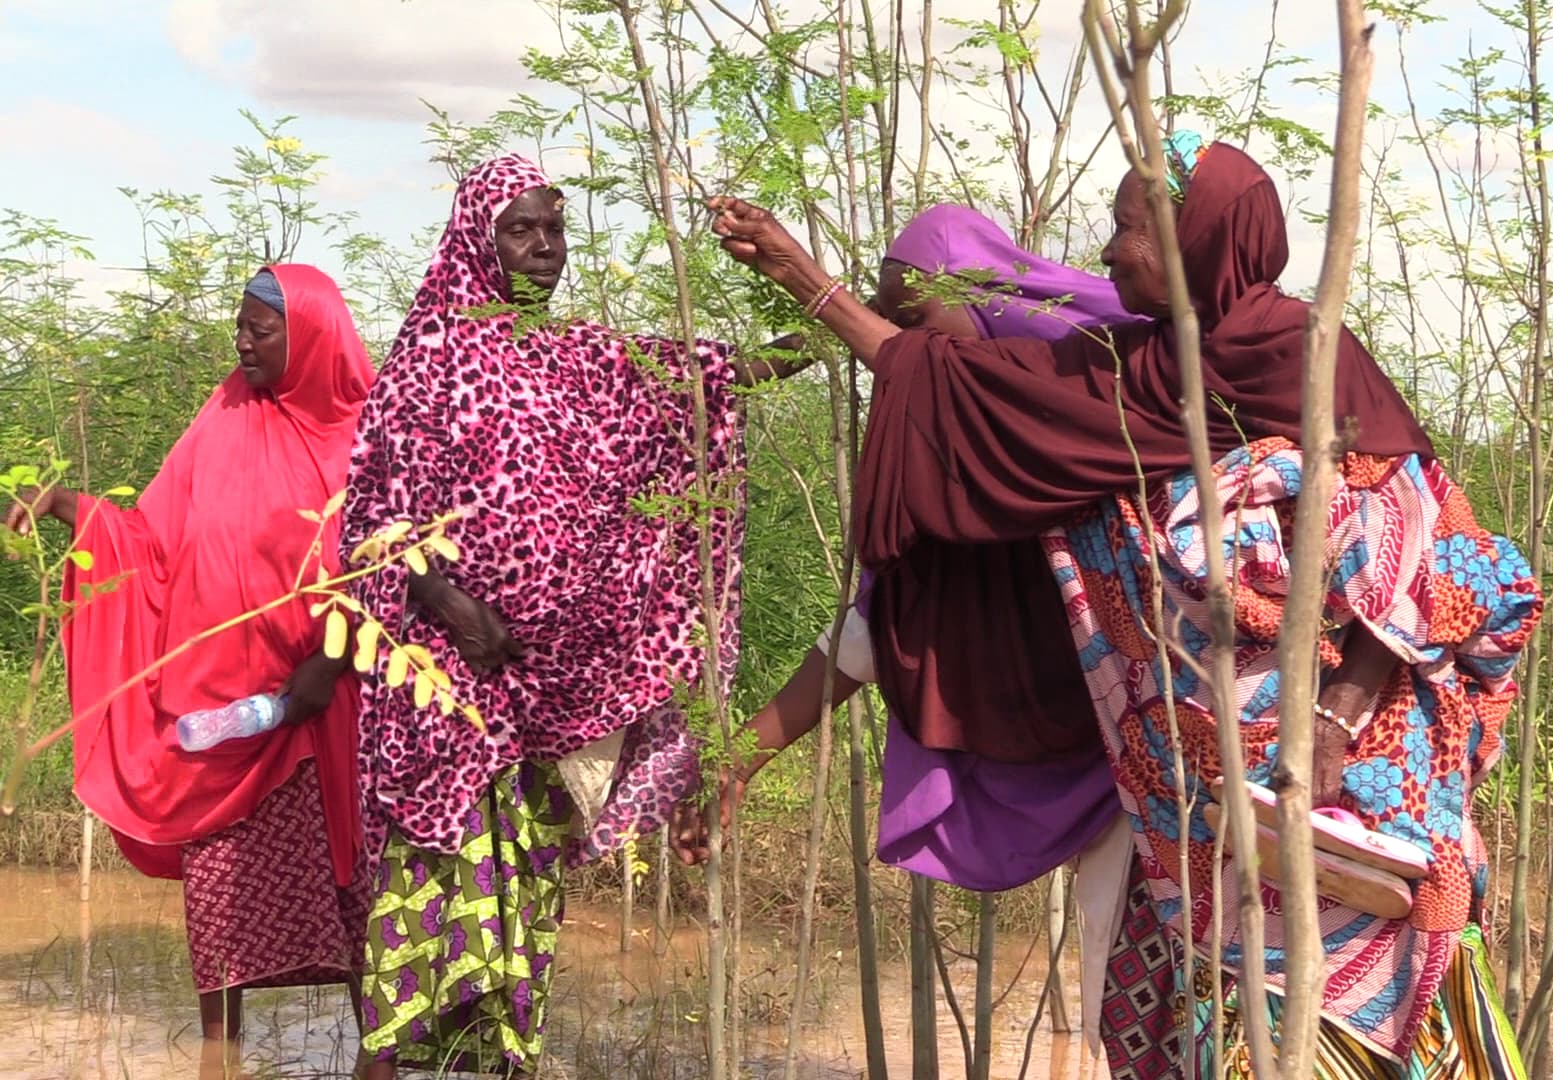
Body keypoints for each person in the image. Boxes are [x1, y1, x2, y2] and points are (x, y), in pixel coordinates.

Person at [708, 134, 1540, 1077]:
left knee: (1338, 1042)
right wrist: (807, 291)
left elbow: (1444, 557)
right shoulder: (1117, 386)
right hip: (1176, 825)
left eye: (1129, 227)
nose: (1107, 251)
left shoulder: (1306, 363)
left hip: (1329, 807)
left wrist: (1336, 722)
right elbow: (947, 413)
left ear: (1199, 238)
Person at [340, 153, 743, 1078]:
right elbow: (370, 523)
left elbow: (698, 382)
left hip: (541, 695)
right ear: (480, 238)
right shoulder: (430, 354)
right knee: (421, 913)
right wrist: (452, 604)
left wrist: (828, 309)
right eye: (523, 229)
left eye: (556, 230)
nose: (545, 249)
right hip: (442, 692)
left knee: (521, 912)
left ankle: (501, 1062)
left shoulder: (580, 359)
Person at [672, 204, 1140, 895]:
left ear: (987, 299)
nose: (906, 344)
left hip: (1178, 771)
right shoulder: (965, 468)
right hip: (1107, 790)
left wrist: (805, 278)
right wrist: (737, 762)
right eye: (893, 323)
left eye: (915, 319)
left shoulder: (1101, 399)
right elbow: (876, 630)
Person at [8, 265, 373, 1056]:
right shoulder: (225, 415)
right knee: (220, 909)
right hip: (226, 713)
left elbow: (391, 565)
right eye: (238, 325)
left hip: (330, 706)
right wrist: (69, 505)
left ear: (307, 336)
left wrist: (331, 663)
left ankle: (379, 1059)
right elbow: (151, 540)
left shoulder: (368, 434)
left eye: (260, 328)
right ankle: (219, 1061)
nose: (241, 340)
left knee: (357, 904)